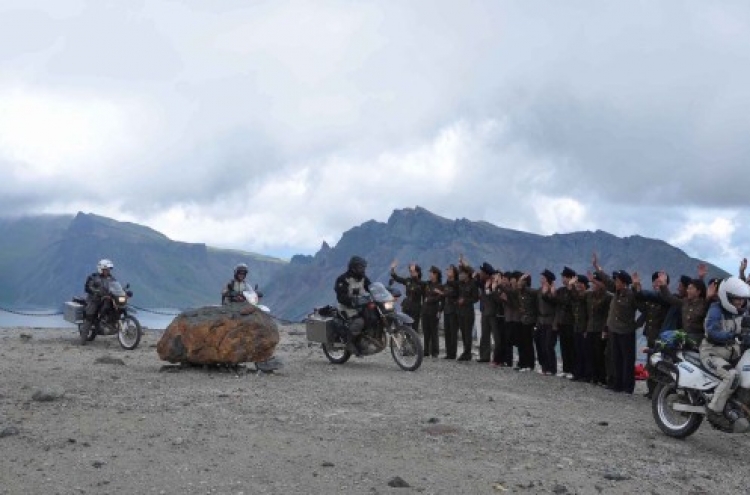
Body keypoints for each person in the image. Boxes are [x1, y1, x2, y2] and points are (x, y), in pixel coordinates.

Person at [701, 277, 750, 427]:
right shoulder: (716, 311)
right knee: (732, 376)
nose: (740, 302)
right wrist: (734, 336)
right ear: (726, 296)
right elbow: (712, 332)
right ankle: (714, 411)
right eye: (736, 299)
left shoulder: (741, 313)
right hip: (712, 352)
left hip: (731, 353)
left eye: (742, 299)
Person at [335, 256, 372, 357]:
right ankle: (349, 342)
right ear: (353, 267)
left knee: (373, 316)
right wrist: (352, 301)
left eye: (363, 267)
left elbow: (371, 288)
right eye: (360, 267)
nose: (362, 270)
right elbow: (340, 297)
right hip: (346, 307)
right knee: (359, 322)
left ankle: (366, 339)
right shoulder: (343, 279)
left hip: (360, 305)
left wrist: (383, 292)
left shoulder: (363, 278)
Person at [80, 258, 116, 344]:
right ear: (101, 269)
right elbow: (88, 287)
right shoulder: (93, 277)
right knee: (90, 316)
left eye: (109, 269)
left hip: (106, 299)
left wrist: (123, 291)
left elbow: (116, 286)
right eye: (106, 269)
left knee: (117, 307)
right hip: (94, 300)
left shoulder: (111, 278)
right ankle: (83, 339)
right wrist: (96, 292)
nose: (108, 271)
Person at [390, 261, 425, 332]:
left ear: (418, 272)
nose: (412, 273)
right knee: (405, 326)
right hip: (406, 306)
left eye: (413, 271)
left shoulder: (421, 283)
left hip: (415, 307)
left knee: (414, 327)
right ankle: (405, 341)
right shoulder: (408, 280)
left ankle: (414, 342)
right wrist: (393, 268)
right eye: (411, 271)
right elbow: (396, 278)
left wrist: (423, 310)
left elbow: (423, 297)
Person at [422, 266, 444, 358]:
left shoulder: (440, 286)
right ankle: (426, 351)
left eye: (431, 273)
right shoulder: (427, 284)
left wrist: (439, 311)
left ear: (436, 274)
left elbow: (441, 298)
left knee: (434, 332)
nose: (429, 275)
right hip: (425, 311)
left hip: (434, 311)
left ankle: (435, 352)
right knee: (426, 331)